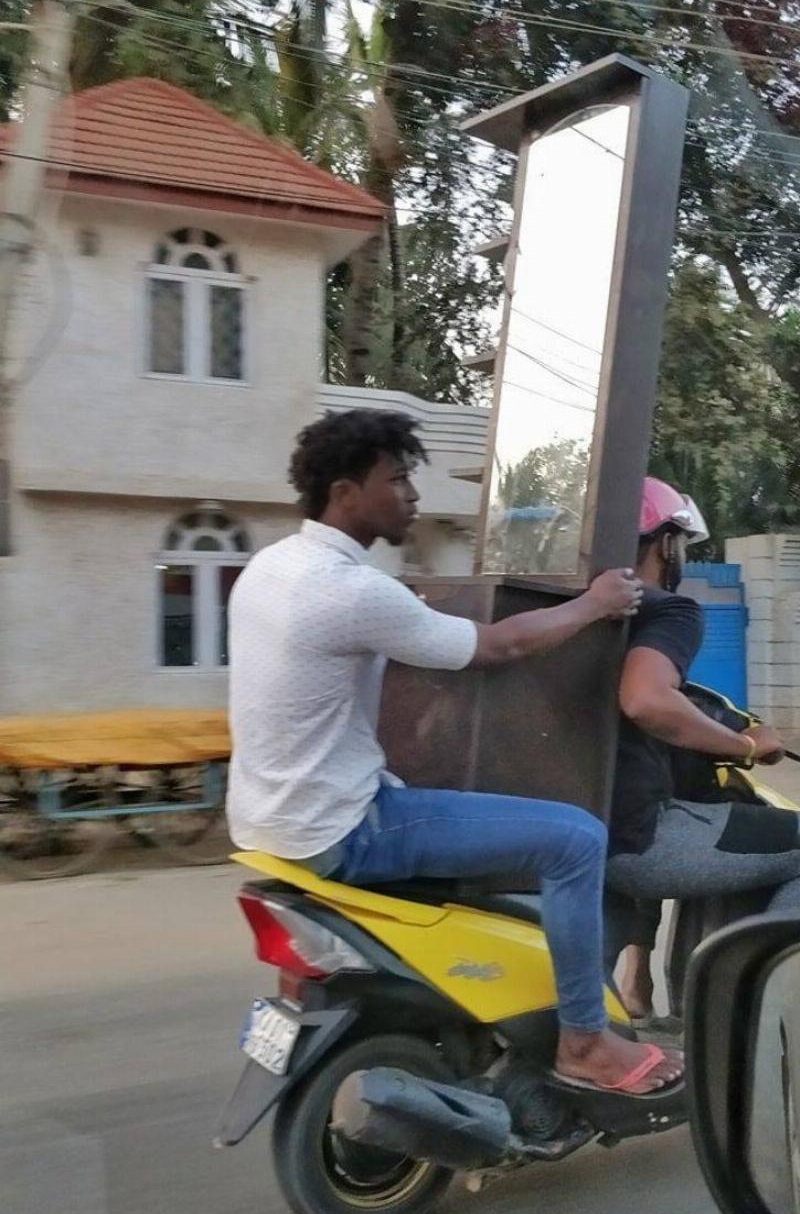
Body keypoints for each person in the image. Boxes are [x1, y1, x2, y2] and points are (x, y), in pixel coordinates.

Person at [227, 408, 682, 1095]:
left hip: (266, 822)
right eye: (397, 480)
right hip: (344, 827)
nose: (412, 495)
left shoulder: (270, 567)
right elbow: (499, 646)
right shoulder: (353, 590)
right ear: (345, 493)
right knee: (576, 839)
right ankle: (585, 1042)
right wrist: (595, 603)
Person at [606, 476, 800, 1019]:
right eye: (682, 544)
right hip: (632, 841)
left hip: (575, 833)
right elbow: (648, 700)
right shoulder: (667, 610)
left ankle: (648, 990)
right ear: (666, 544)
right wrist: (744, 746)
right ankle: (753, 1011)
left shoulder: (570, 607)